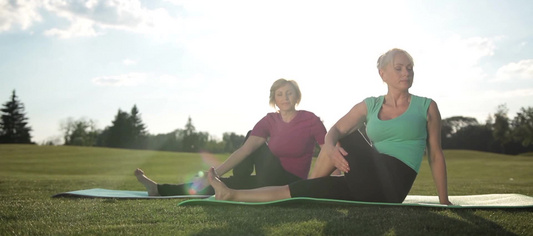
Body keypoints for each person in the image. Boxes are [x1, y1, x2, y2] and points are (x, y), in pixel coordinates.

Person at [207, 48, 452, 205]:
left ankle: (309, 188)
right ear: (383, 73)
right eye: (398, 68)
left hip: (394, 184)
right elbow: (334, 130)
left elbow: (435, 155)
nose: (406, 72)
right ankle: (231, 194)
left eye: (409, 68)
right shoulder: (371, 105)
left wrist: (444, 201)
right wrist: (332, 146)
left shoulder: (426, 107)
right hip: (366, 181)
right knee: (291, 189)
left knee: (343, 138)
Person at [135, 78, 328, 196]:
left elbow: (329, 150)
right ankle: (158, 189)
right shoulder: (269, 120)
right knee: (219, 182)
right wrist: (215, 174)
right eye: (280, 94)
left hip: (291, 180)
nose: (285, 97)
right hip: (267, 178)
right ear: (274, 100)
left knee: (254, 143)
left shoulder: (310, 120)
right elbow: (245, 150)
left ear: (296, 97)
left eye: (289, 93)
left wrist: (327, 181)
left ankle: (238, 179)